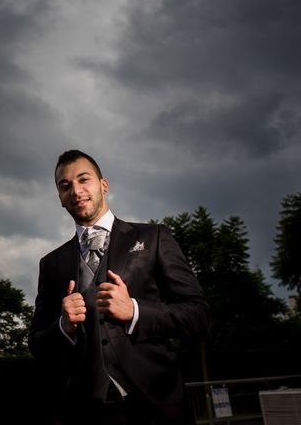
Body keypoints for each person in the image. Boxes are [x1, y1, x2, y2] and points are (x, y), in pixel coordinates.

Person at [29, 150, 210, 425]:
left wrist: (135, 311)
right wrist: (63, 326)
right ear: (59, 198)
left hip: (156, 406)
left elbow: (198, 316)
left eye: (83, 179)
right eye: (65, 186)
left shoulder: (155, 237)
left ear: (103, 184)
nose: (76, 191)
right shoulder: (51, 264)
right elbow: (37, 344)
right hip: (85, 412)